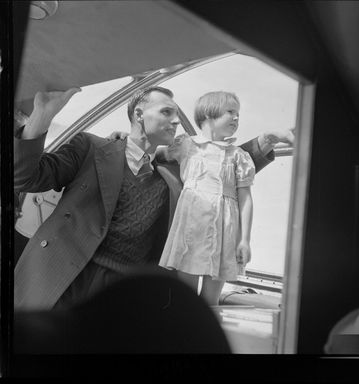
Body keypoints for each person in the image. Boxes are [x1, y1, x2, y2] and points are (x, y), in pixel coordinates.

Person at [14, 86, 291, 311]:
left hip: (126, 295)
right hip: (64, 278)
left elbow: (220, 163)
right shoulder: (90, 147)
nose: (176, 121)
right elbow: (25, 177)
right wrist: (42, 117)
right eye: (167, 112)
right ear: (139, 114)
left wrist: (266, 141)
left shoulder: (172, 171)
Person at [157, 91, 254, 305]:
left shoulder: (238, 156)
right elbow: (155, 154)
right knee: (185, 298)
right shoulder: (186, 144)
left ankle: (201, 335)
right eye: (230, 112)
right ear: (209, 114)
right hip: (192, 226)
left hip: (225, 231)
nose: (237, 118)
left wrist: (244, 240)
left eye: (238, 113)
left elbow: (245, 199)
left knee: (210, 302)